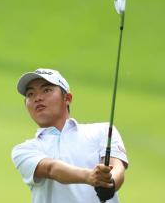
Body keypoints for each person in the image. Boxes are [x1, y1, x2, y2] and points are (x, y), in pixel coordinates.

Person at [11, 68, 129, 203]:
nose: (37, 98)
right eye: (30, 94)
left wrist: (110, 182)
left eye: (46, 90)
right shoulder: (24, 150)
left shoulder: (103, 131)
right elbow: (51, 169)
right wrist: (89, 176)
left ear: (67, 98)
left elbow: (117, 167)